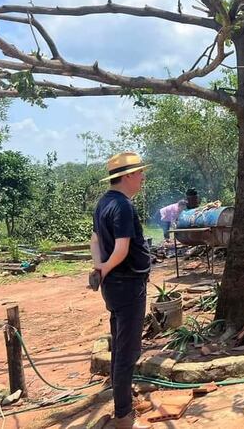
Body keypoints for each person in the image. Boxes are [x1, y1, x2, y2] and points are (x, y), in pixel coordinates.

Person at [90, 152, 152, 429]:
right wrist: (104, 268)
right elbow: (122, 249)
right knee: (128, 352)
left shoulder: (104, 203)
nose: (142, 178)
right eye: (139, 173)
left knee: (119, 345)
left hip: (113, 287)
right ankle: (124, 417)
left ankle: (124, 400)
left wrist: (98, 268)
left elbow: (94, 240)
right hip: (127, 285)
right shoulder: (124, 207)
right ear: (127, 176)